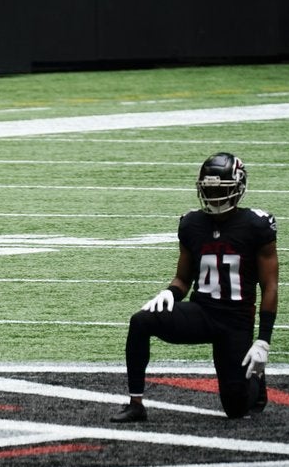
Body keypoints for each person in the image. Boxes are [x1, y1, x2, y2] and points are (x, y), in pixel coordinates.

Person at [111, 152, 279, 422]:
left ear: (238, 188)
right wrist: (169, 292)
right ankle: (135, 404)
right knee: (141, 321)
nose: (213, 195)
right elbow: (183, 280)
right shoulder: (191, 223)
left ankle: (256, 381)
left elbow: (269, 286)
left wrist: (263, 340)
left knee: (236, 409)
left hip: (236, 321)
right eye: (209, 189)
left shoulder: (256, 225)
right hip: (202, 311)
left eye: (219, 189)